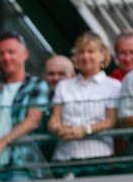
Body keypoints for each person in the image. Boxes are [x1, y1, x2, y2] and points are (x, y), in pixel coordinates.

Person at [0, 31, 49, 182]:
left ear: (25, 54)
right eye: (2, 53)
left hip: (22, 166)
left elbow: (33, 121)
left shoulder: (37, 85)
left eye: (11, 52)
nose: (6, 57)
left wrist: (1, 143)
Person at [48, 32, 122, 164]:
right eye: (81, 52)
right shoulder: (63, 85)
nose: (85, 56)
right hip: (64, 156)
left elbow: (111, 121)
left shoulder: (113, 86)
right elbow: (54, 118)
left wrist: (85, 129)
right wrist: (59, 129)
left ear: (103, 55)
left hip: (99, 155)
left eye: (90, 51)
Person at [37, 55, 75, 161]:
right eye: (51, 74)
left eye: (62, 74)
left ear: (73, 76)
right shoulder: (36, 98)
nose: (56, 78)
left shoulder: (78, 100)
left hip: (66, 158)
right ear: (44, 76)